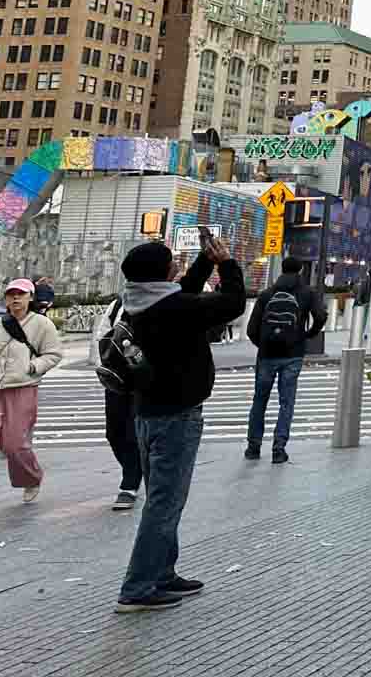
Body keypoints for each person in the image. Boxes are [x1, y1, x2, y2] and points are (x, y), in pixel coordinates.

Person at [113, 233, 245, 613]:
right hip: (177, 416)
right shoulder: (176, 310)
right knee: (165, 503)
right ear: (160, 273)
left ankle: (162, 572)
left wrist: (205, 262)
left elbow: (180, 293)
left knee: (161, 498)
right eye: (171, 263)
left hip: (147, 412)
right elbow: (232, 303)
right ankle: (138, 587)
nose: (176, 267)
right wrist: (227, 265)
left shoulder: (136, 304)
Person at [0, 277, 61, 514]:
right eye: (11, 294)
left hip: (23, 388)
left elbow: (53, 354)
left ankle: (31, 477)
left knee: (14, 445)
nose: (15, 299)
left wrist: (34, 366)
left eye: (20, 294)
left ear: (30, 297)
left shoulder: (43, 325)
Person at [244, 257, 325, 463]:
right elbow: (321, 316)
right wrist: (307, 335)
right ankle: (278, 448)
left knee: (259, 400)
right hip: (293, 354)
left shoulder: (266, 294)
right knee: (286, 402)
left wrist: (263, 344)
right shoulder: (307, 293)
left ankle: (253, 447)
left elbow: (251, 329)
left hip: (266, 355)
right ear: (299, 271)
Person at [90, 294, 143, 509]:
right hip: (118, 378)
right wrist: (106, 361)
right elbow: (103, 334)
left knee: (134, 431)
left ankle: (129, 483)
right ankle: (136, 468)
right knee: (114, 431)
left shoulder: (165, 299)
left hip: (145, 378)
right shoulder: (119, 303)